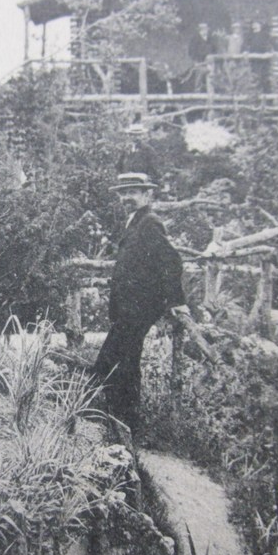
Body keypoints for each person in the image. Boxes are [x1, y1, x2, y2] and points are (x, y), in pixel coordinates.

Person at [92, 173, 187, 439]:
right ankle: (123, 424)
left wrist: (177, 302)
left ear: (147, 195)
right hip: (128, 307)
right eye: (122, 193)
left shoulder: (150, 222)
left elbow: (171, 261)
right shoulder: (134, 222)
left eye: (132, 191)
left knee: (109, 362)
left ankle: (123, 424)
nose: (126, 198)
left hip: (140, 307)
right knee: (125, 363)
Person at [116, 122, 160, 186]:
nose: (136, 137)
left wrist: (149, 180)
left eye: (138, 135)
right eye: (133, 135)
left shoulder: (148, 149)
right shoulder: (125, 150)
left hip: (142, 183)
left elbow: (154, 168)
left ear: (142, 136)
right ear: (129, 135)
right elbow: (119, 167)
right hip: (127, 182)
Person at [245, 21, 275, 94]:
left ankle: (268, 98)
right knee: (255, 77)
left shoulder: (265, 35)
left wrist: (270, 52)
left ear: (260, 25)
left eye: (257, 24)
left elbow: (273, 44)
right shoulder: (250, 35)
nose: (255, 26)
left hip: (264, 60)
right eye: (253, 24)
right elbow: (244, 45)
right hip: (254, 60)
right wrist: (245, 51)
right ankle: (256, 96)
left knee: (265, 78)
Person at [186, 22, 215, 93]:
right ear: (200, 31)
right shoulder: (195, 39)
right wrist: (195, 61)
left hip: (209, 62)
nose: (205, 31)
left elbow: (214, 50)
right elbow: (191, 51)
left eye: (206, 30)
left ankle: (211, 91)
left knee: (212, 73)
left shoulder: (210, 39)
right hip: (199, 62)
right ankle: (197, 91)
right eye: (203, 30)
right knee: (200, 73)